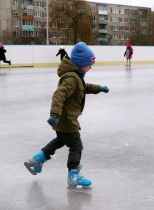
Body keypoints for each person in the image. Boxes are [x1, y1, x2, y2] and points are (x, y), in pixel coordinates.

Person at [24, 42, 109, 191]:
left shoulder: (76, 77)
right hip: (66, 119)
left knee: (60, 141)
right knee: (76, 146)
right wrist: (54, 114)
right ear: (81, 63)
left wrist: (98, 88)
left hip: (63, 120)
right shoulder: (71, 78)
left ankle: (36, 160)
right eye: (89, 64)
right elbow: (59, 94)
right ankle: (73, 176)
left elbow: (84, 88)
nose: (91, 66)